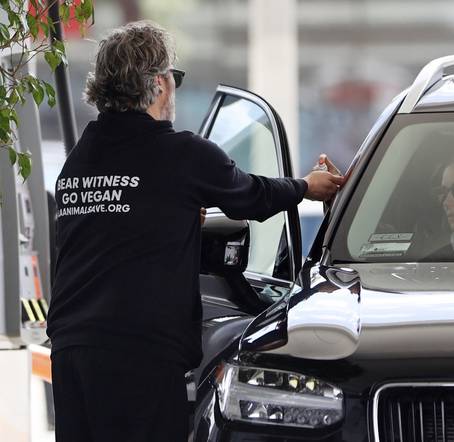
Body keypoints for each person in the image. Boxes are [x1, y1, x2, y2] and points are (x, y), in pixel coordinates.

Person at [46, 21, 344, 442]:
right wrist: (307, 187)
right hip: (139, 353)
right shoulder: (179, 153)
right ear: (157, 84)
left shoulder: (80, 159)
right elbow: (250, 196)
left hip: (71, 348)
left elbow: (115, 230)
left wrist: (177, 217)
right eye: (174, 78)